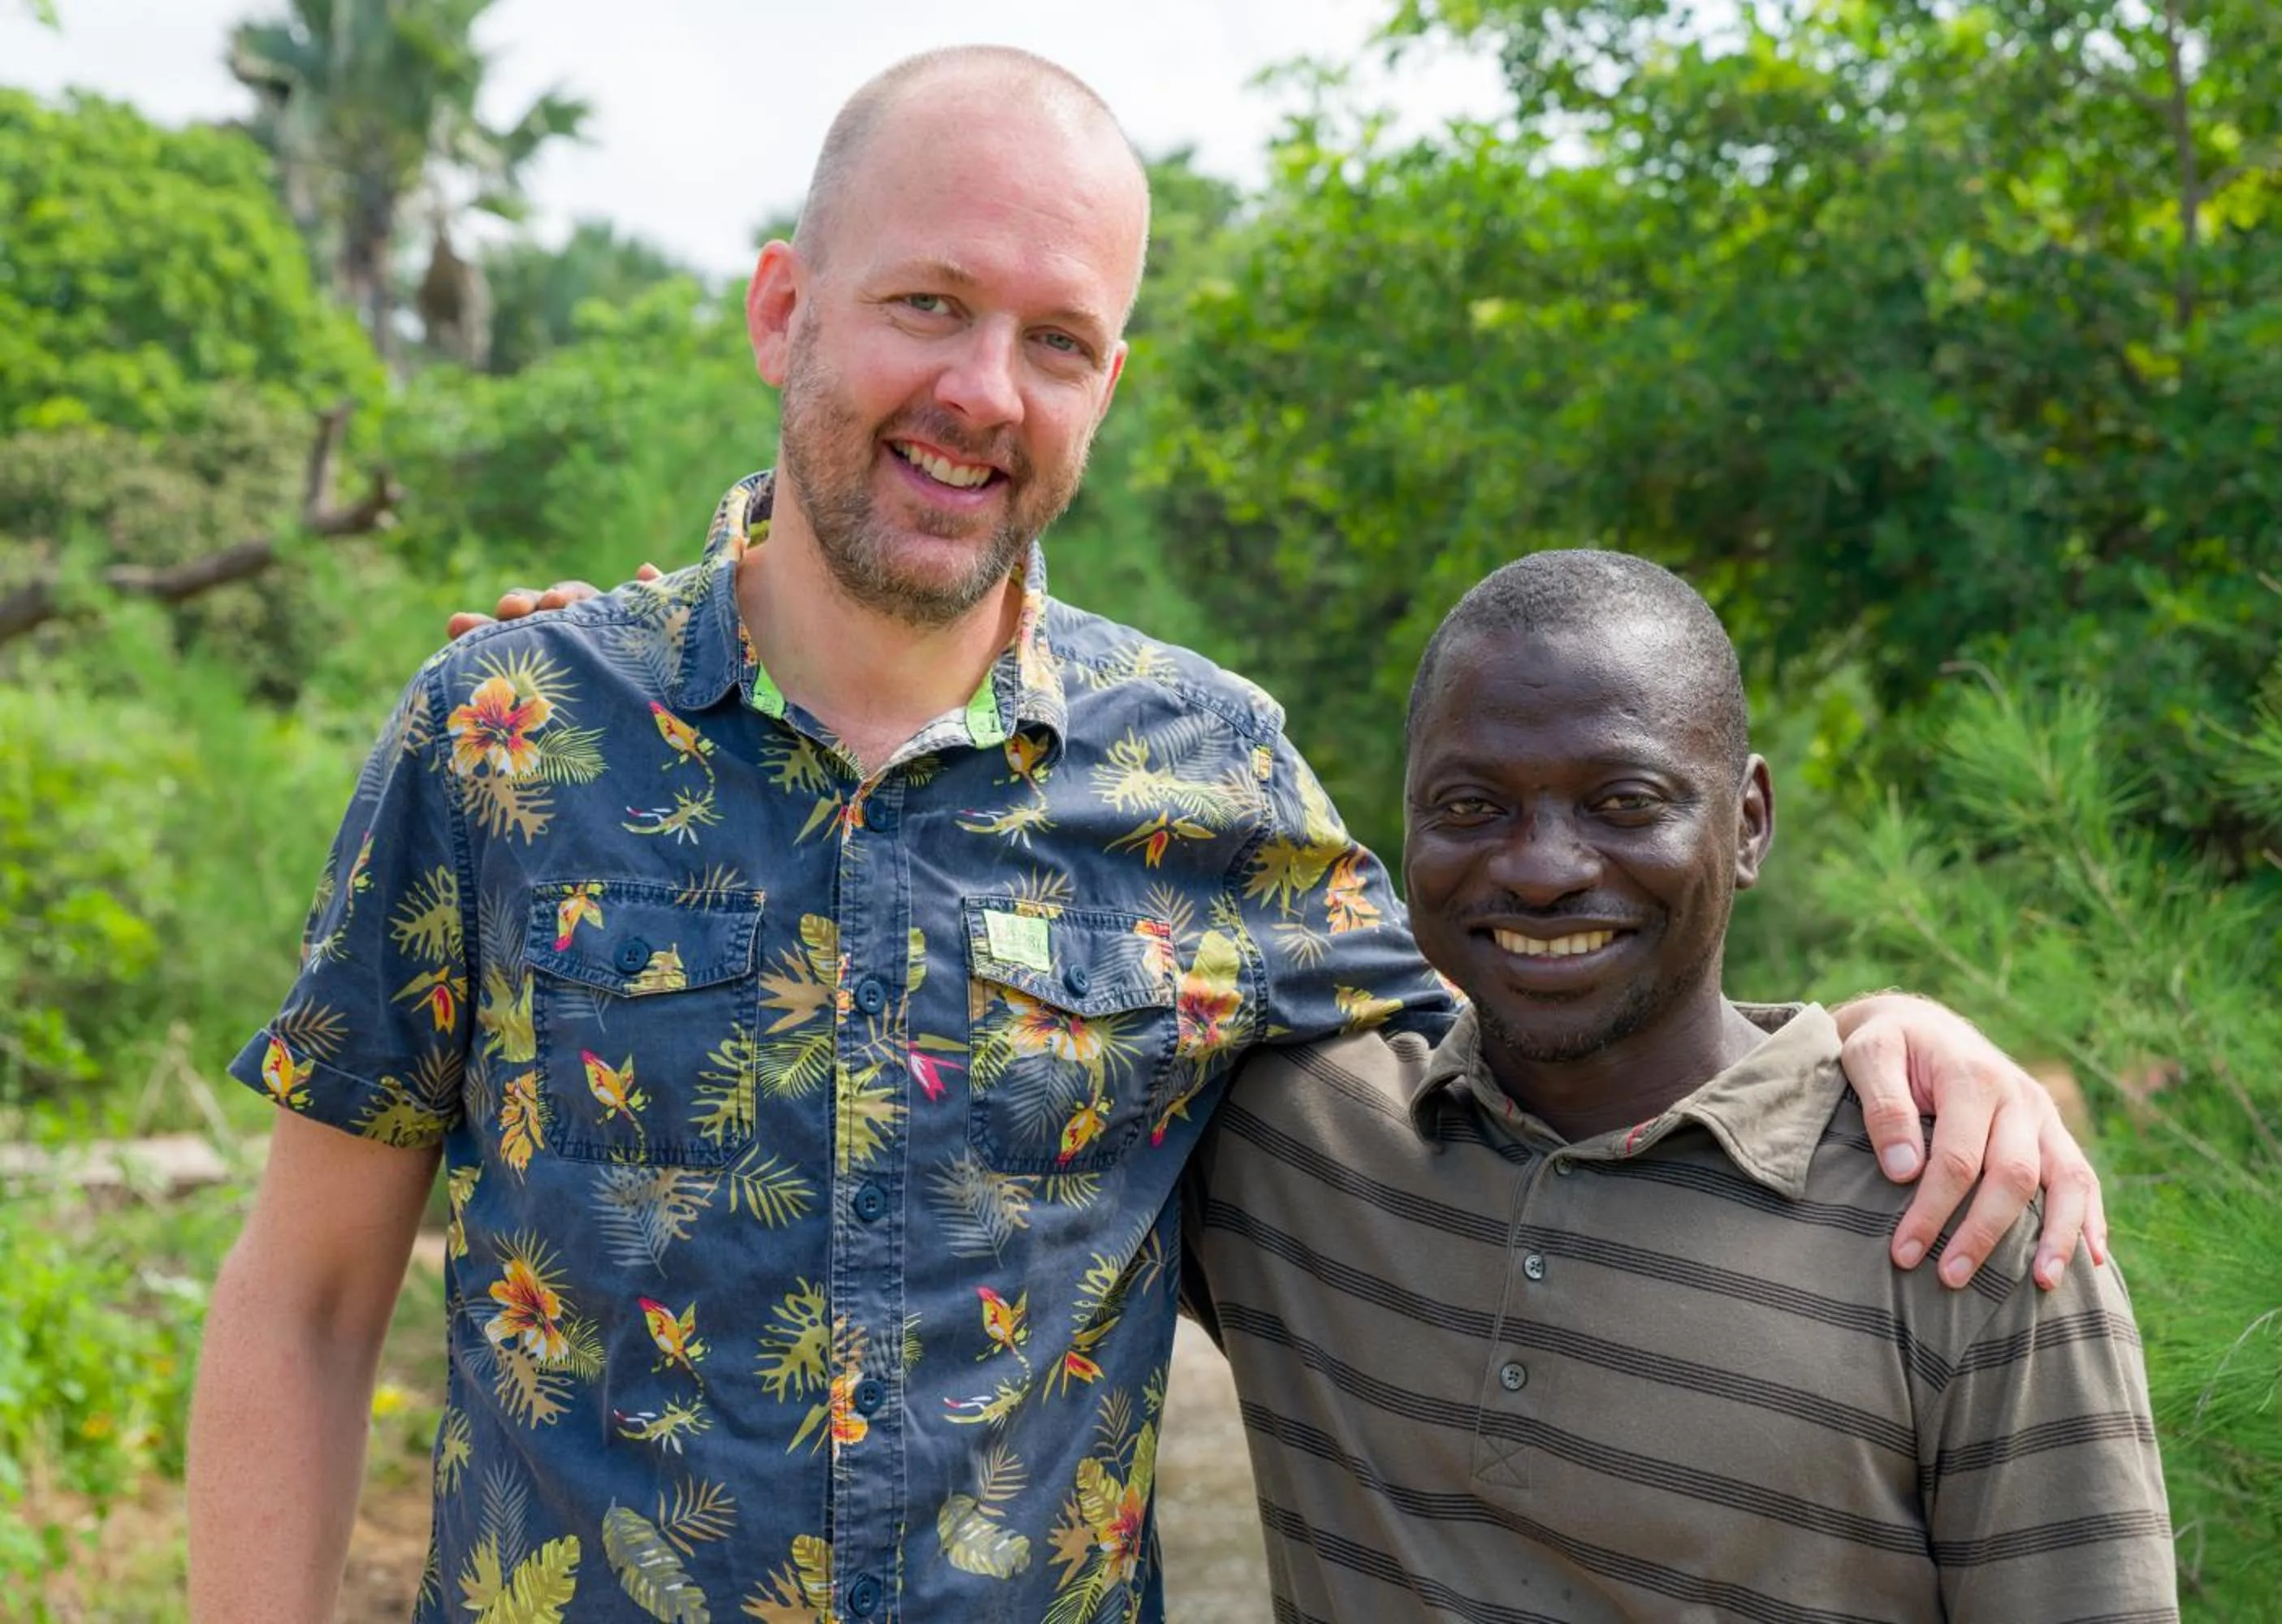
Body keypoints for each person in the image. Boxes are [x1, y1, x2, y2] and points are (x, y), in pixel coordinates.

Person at [187, 45, 2103, 1624]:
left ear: (1109, 381)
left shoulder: (1213, 774)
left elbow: (1553, 1015)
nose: (977, 394)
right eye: (928, 305)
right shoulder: (507, 732)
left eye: (1057, 339)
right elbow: (308, 1295)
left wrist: (1877, 1029)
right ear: (788, 307)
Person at [1185, 549, 2176, 1620]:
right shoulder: (1289, 1139)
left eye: (1624, 801)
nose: (1542, 868)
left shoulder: (1967, 1222)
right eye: (1472, 806)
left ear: (1748, 822)